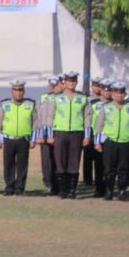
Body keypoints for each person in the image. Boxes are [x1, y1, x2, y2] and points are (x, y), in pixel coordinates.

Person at [49, 71, 91, 199]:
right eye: (69, 81)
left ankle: (72, 189)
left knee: (74, 161)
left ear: (76, 83)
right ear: (64, 82)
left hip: (76, 132)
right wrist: (50, 135)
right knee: (60, 160)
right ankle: (62, 189)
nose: (71, 83)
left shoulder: (83, 98)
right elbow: (50, 117)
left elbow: (87, 118)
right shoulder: (56, 98)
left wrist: (87, 136)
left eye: (74, 81)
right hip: (60, 132)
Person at [93, 81, 129, 201]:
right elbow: (99, 125)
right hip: (110, 141)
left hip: (126, 141)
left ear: (125, 94)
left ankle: (122, 191)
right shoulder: (106, 107)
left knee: (124, 169)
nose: (119, 96)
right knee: (109, 169)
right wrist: (97, 142)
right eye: (117, 93)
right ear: (113, 93)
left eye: (122, 93)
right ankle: (109, 191)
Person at [0, 80, 38, 196]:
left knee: (22, 165)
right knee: (8, 164)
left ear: (24, 91)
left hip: (23, 139)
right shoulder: (4, 104)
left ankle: (19, 188)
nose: (18, 93)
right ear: (12, 91)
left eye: (21, 90)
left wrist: (33, 139)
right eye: (16, 90)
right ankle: (9, 187)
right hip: (9, 139)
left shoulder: (30, 105)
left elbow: (35, 123)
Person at [37, 75, 62, 194]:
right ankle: (48, 181)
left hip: (59, 132)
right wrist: (40, 134)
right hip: (45, 133)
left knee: (59, 159)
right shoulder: (43, 98)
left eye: (56, 85)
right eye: (51, 85)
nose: (53, 88)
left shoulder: (63, 99)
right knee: (46, 159)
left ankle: (59, 183)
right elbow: (39, 117)